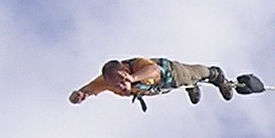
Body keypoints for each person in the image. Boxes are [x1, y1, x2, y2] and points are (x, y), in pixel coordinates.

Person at [69, 57, 246, 107]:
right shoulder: (106, 81)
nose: (120, 87)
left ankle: (217, 75)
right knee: (188, 82)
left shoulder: (138, 65)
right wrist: (78, 96)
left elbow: (153, 70)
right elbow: (86, 90)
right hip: (155, 88)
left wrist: (133, 78)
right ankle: (192, 86)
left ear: (126, 70)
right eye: (115, 85)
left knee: (191, 75)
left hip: (169, 73)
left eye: (121, 81)